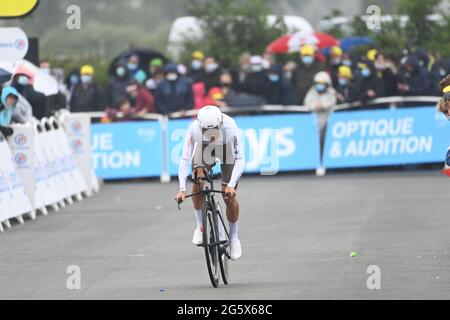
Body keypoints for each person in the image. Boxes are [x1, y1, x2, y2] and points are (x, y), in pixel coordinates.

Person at [175, 105, 244, 261]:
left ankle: (233, 237)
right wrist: (182, 189)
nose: (211, 134)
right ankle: (201, 226)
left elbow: (240, 159)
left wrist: (231, 185)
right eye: (206, 131)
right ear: (200, 127)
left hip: (227, 150)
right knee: (198, 179)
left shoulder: (231, 127)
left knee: (229, 197)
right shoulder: (193, 129)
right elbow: (185, 160)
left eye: (214, 129)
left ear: (220, 124)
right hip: (205, 148)